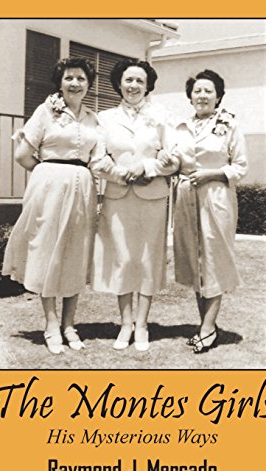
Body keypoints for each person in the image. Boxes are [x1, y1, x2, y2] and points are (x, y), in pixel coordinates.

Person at [2, 57, 103, 354]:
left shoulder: (93, 118)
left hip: (83, 187)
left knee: (77, 252)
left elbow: (98, 157)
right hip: (49, 187)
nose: (75, 83)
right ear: (60, 82)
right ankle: (51, 324)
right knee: (47, 250)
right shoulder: (45, 111)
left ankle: (70, 325)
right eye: (69, 78)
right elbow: (22, 155)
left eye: (81, 78)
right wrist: (48, 173)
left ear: (89, 84)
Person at [90, 59, 177, 351]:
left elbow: (174, 159)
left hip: (152, 198)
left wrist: (147, 167)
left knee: (147, 259)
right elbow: (97, 160)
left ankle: (142, 324)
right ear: (119, 83)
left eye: (140, 80)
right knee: (123, 259)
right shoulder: (105, 118)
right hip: (118, 198)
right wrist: (121, 173)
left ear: (148, 85)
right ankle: (125, 324)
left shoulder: (161, 116)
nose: (134, 86)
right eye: (128, 80)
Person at [172, 69, 248, 354]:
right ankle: (206, 325)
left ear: (218, 96)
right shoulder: (181, 127)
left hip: (216, 197)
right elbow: (174, 161)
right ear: (190, 96)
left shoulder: (229, 125)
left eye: (208, 91)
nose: (202, 95)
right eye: (197, 91)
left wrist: (212, 174)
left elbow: (240, 166)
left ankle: (207, 329)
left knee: (214, 258)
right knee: (195, 261)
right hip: (186, 196)